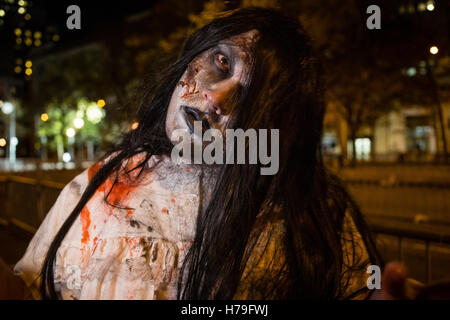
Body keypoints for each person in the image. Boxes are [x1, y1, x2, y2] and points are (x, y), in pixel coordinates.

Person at [13, 7, 397, 300]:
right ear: (191, 56)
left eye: (253, 97)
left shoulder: (313, 213)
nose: (215, 98)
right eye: (222, 62)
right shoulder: (101, 185)